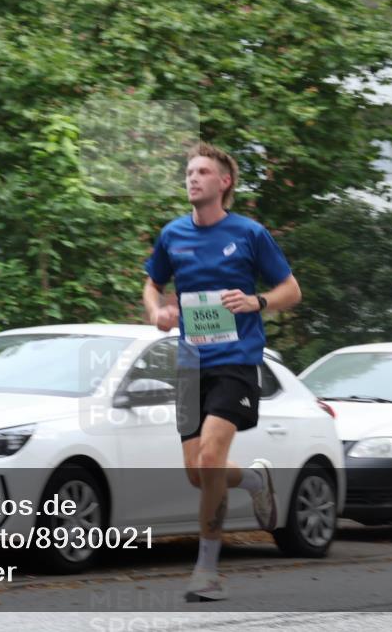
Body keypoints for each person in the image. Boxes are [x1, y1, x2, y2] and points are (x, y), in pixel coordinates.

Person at [142, 142, 302, 602]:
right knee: (197, 473)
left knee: (210, 461)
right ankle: (254, 480)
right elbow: (152, 285)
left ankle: (206, 572)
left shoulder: (249, 233)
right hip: (191, 363)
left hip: (236, 361)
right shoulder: (173, 234)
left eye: (202, 171)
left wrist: (257, 301)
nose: (192, 178)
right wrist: (157, 313)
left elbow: (291, 288)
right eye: (189, 171)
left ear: (223, 182)